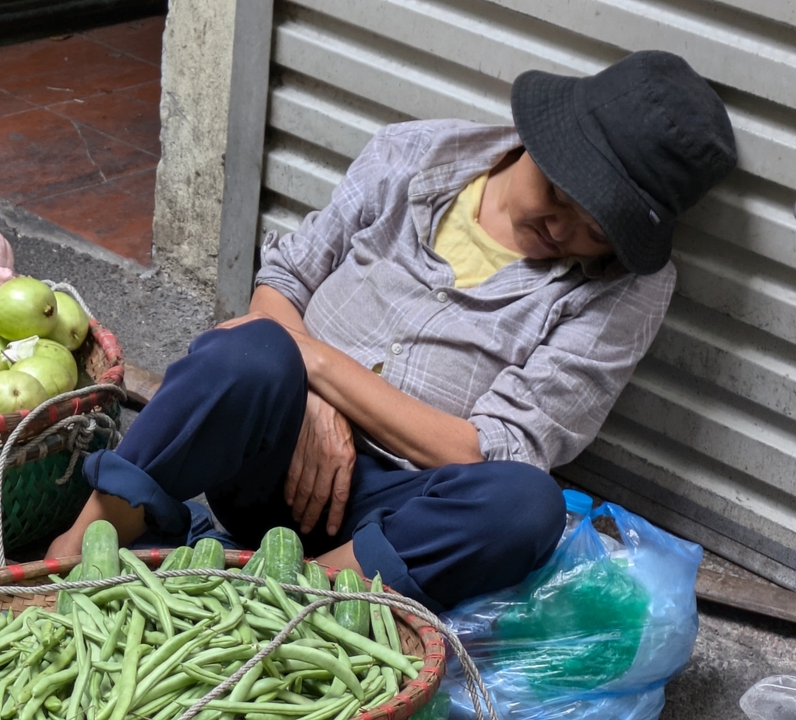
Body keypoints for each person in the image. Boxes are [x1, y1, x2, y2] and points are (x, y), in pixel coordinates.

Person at [47, 50, 736, 612]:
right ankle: (76, 553)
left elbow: (486, 449)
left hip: (393, 516)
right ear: (538, 139)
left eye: (599, 232)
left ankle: (286, 605)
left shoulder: (632, 289)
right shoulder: (416, 155)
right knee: (246, 352)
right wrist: (307, 390)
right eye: (562, 197)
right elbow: (282, 282)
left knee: (525, 504)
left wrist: (316, 365)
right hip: (276, 456)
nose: (566, 232)